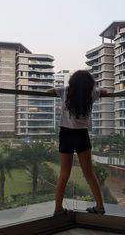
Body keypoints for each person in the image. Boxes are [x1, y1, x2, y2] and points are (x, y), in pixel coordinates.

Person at [47, 70, 107, 216]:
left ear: (72, 81)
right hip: (82, 135)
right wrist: (95, 88)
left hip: (66, 134)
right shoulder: (92, 93)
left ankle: (58, 209)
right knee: (89, 173)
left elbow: (49, 91)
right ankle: (99, 207)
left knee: (64, 174)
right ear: (89, 83)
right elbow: (105, 91)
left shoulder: (65, 91)